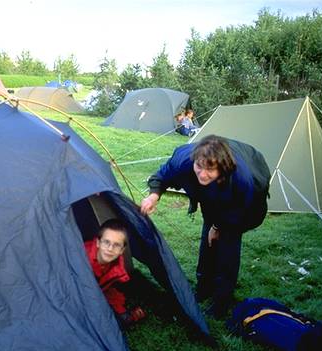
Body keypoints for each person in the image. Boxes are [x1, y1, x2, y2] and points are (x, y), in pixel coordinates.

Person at [140, 135, 268, 318]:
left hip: (242, 206)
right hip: (212, 197)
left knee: (227, 245)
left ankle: (221, 302)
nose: (202, 173)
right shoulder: (184, 160)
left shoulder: (241, 180)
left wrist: (217, 227)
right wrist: (153, 196)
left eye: (210, 169)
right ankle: (203, 288)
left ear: (222, 169)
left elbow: (238, 212)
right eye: (199, 166)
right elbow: (162, 175)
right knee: (207, 242)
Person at [84, 219, 146, 328]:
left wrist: (122, 312)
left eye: (116, 245)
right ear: (98, 242)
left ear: (122, 250)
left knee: (119, 319)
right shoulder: (81, 257)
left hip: (95, 293)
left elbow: (105, 287)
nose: (110, 249)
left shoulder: (117, 268)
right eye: (106, 242)